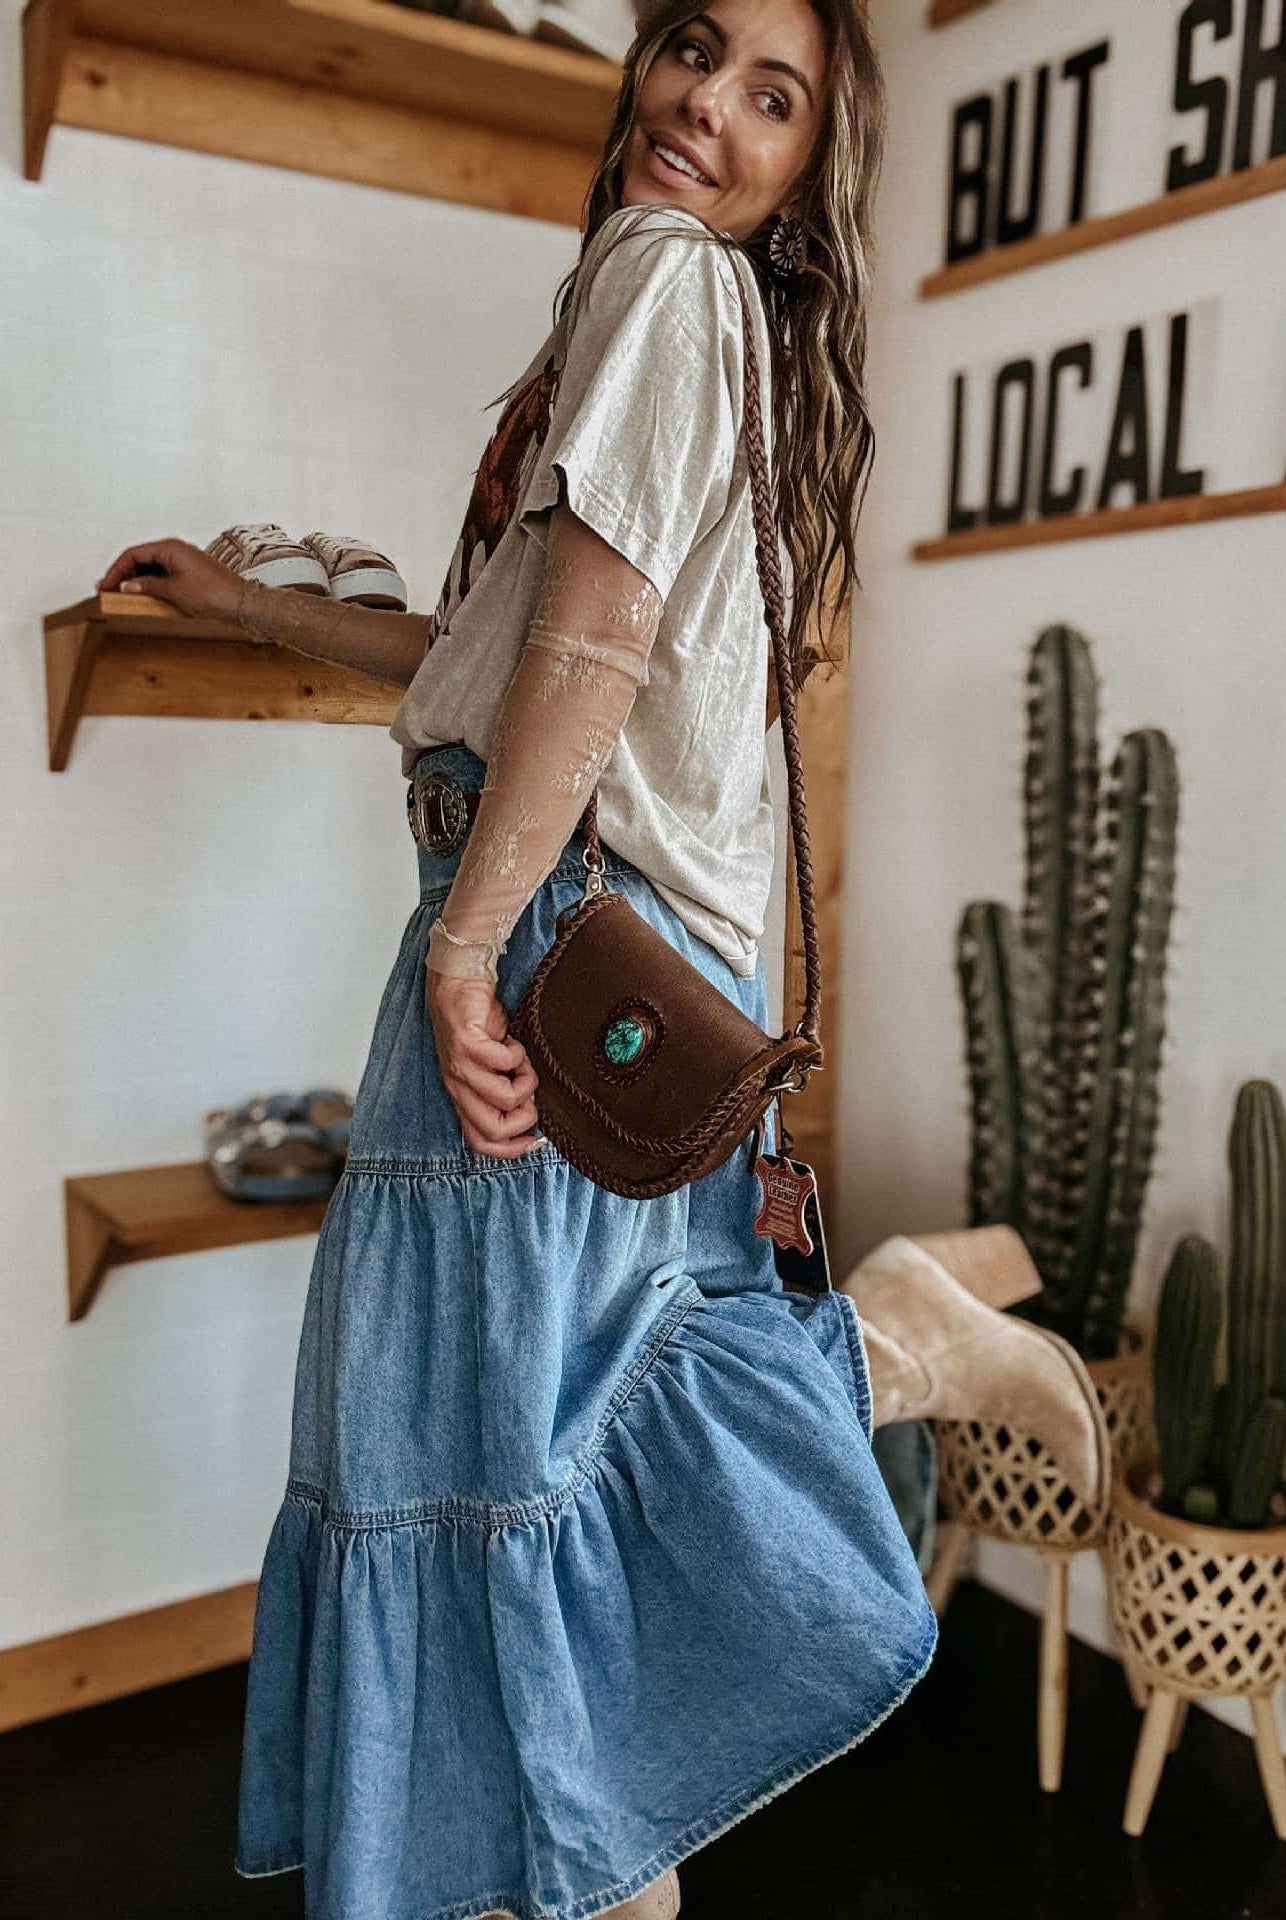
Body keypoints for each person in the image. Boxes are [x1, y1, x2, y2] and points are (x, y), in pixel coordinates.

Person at [97, 7, 948, 1916]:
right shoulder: (696, 323)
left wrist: (466, 948)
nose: (701, 111)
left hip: (548, 941)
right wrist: (258, 612)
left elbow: (595, 649)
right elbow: (499, 652)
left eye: (770, 99)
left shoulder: (662, 280)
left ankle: (899, 1351)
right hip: (618, 970)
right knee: (546, 1519)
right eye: (691, 51)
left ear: (810, 169)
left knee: (472, 1467)